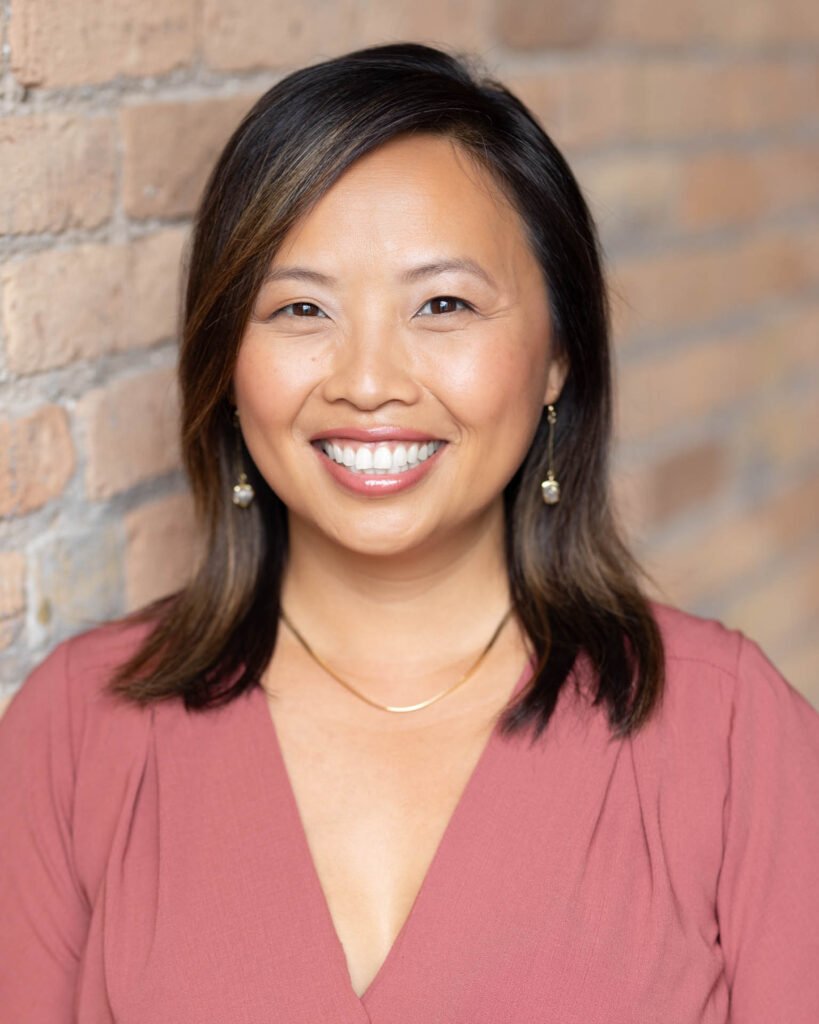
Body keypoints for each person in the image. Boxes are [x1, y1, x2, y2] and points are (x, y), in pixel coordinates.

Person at [1, 41, 818, 1024]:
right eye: (301, 307)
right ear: (228, 356)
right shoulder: (76, 735)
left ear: (558, 354)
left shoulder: (730, 738)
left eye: (443, 304)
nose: (369, 379)